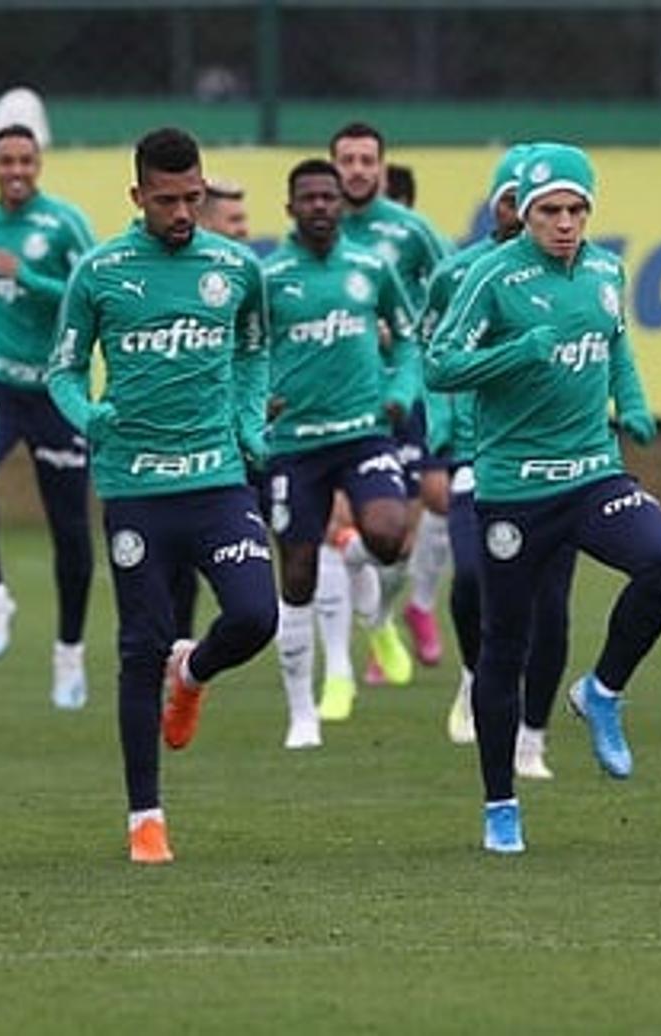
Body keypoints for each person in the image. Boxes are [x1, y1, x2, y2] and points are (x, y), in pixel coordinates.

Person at [427, 143, 661, 855]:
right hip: (514, 488)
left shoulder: (605, 269)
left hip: (593, 474)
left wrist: (631, 405)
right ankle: (500, 806)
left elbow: (617, 345)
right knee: (505, 646)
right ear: (523, 212)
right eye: (549, 211)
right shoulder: (491, 276)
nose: (564, 223)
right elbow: (440, 364)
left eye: (575, 210)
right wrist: (518, 351)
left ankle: (601, 691)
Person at [47, 127, 277, 864]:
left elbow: (253, 351)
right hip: (135, 487)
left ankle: (195, 671)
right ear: (137, 197)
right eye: (168, 200)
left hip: (215, 480)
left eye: (194, 198)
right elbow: (62, 370)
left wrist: (247, 423)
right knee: (139, 645)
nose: (183, 212)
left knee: (255, 615)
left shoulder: (237, 268)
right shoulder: (100, 272)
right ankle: (145, 817)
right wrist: (90, 419)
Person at [422, 145, 577, 780]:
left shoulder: (578, 274)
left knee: (554, 608)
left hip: (560, 463)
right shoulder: (460, 274)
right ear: (500, 204)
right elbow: (431, 354)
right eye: (513, 199)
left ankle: (532, 735)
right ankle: (472, 671)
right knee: (472, 581)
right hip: (474, 458)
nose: (525, 212)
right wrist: (436, 435)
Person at [261, 158, 416, 748]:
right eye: (309, 198)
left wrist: (400, 391)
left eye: (329, 197)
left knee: (388, 532)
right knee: (296, 575)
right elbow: (241, 352)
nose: (321, 206)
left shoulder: (370, 268)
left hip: (363, 432)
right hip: (295, 446)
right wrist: (257, 404)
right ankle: (303, 712)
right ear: (291, 207)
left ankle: (369, 599)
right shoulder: (268, 276)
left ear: (341, 205)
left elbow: (406, 339)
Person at [0, 124, 99, 704]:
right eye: (5, 161)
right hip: (1, 386)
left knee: (69, 531)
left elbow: (88, 295)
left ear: (39, 165)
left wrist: (29, 276)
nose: (16, 170)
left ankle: (69, 655)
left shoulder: (63, 223)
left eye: (25, 161)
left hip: (58, 391)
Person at [331, 121, 448, 685]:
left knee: (414, 522)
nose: (356, 169)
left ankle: (401, 610)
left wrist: (406, 332)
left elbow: (454, 290)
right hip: (340, 398)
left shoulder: (410, 232)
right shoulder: (320, 232)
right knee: (353, 525)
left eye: (365, 160)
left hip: (406, 393)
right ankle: (367, 634)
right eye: (347, 160)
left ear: (381, 166)